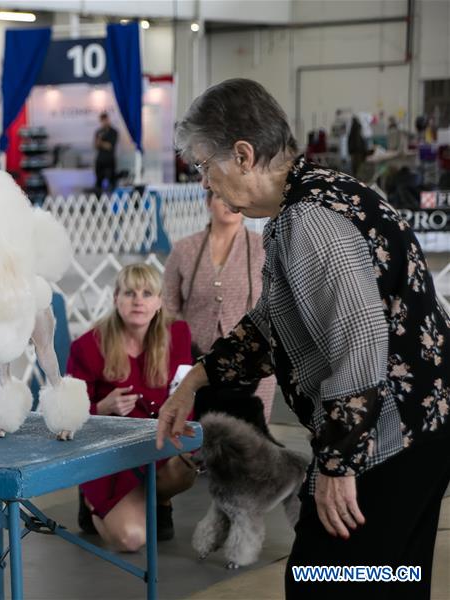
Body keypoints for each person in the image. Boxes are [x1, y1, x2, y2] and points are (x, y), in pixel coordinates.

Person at [157, 78, 450, 598]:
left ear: (243, 155)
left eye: (204, 166)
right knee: (394, 577)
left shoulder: (309, 221)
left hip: (388, 439)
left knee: (318, 578)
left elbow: (359, 343)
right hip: (418, 429)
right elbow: (275, 323)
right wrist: (196, 379)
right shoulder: (321, 194)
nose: (204, 183)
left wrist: (338, 465)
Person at [67, 264, 197, 549]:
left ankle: (157, 500)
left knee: (188, 466)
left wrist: (178, 425)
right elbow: (68, 415)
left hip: (157, 445)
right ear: (116, 299)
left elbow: (184, 395)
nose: (138, 300)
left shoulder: (178, 333)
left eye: (147, 293)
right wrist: (102, 407)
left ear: (160, 301)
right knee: (131, 539)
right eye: (130, 293)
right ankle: (91, 502)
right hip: (108, 454)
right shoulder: (87, 346)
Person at [162, 189, 277, 421]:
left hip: (251, 359)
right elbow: (168, 306)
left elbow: (275, 301)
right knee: (196, 432)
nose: (228, 203)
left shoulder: (262, 247)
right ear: (208, 203)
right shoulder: (184, 249)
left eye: (233, 196)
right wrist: (179, 346)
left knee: (250, 434)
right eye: (220, 197)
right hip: (194, 361)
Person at [93, 111, 118, 191]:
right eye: (102, 121)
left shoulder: (113, 132)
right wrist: (100, 143)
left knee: (112, 181)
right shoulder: (98, 132)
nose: (104, 122)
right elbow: (95, 145)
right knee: (98, 181)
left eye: (105, 120)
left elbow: (110, 146)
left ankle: (113, 195)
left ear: (108, 120)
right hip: (100, 160)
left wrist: (101, 143)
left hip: (109, 160)